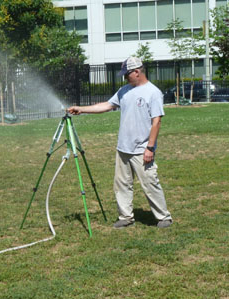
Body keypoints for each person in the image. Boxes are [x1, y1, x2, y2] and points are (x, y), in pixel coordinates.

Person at [67, 56, 172, 229]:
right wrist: (81, 109)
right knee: (122, 184)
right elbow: (107, 106)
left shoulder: (153, 93)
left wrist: (150, 148)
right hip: (123, 148)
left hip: (142, 149)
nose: (124, 77)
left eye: (127, 74)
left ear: (137, 72)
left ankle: (163, 217)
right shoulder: (124, 91)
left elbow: (156, 122)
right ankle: (125, 217)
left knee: (150, 183)